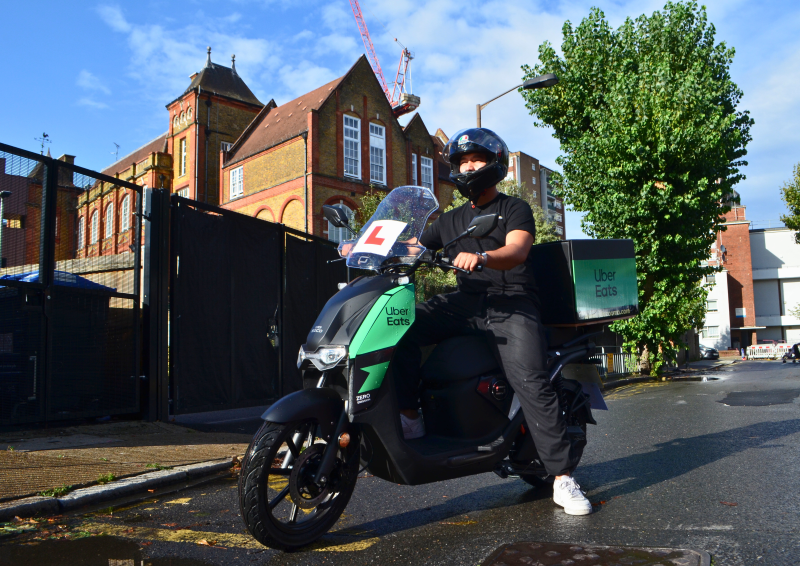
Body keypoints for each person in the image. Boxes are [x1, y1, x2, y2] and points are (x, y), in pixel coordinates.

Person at [393, 127, 592, 516]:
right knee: (400, 327)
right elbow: (416, 245)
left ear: (494, 165)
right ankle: (411, 417)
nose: (468, 166)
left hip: (512, 301)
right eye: (462, 161)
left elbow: (518, 249)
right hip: (468, 302)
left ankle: (562, 478)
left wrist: (483, 258)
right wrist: (366, 246)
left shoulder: (513, 208)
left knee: (530, 380)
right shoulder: (449, 221)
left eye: (476, 159)